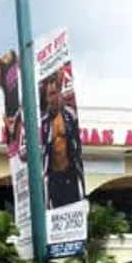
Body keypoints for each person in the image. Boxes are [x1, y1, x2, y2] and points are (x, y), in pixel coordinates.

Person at [39, 71, 85, 209]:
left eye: (56, 92)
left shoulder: (70, 115)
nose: (54, 98)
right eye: (51, 94)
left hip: (70, 173)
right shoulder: (44, 123)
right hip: (54, 177)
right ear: (46, 98)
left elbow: (78, 143)